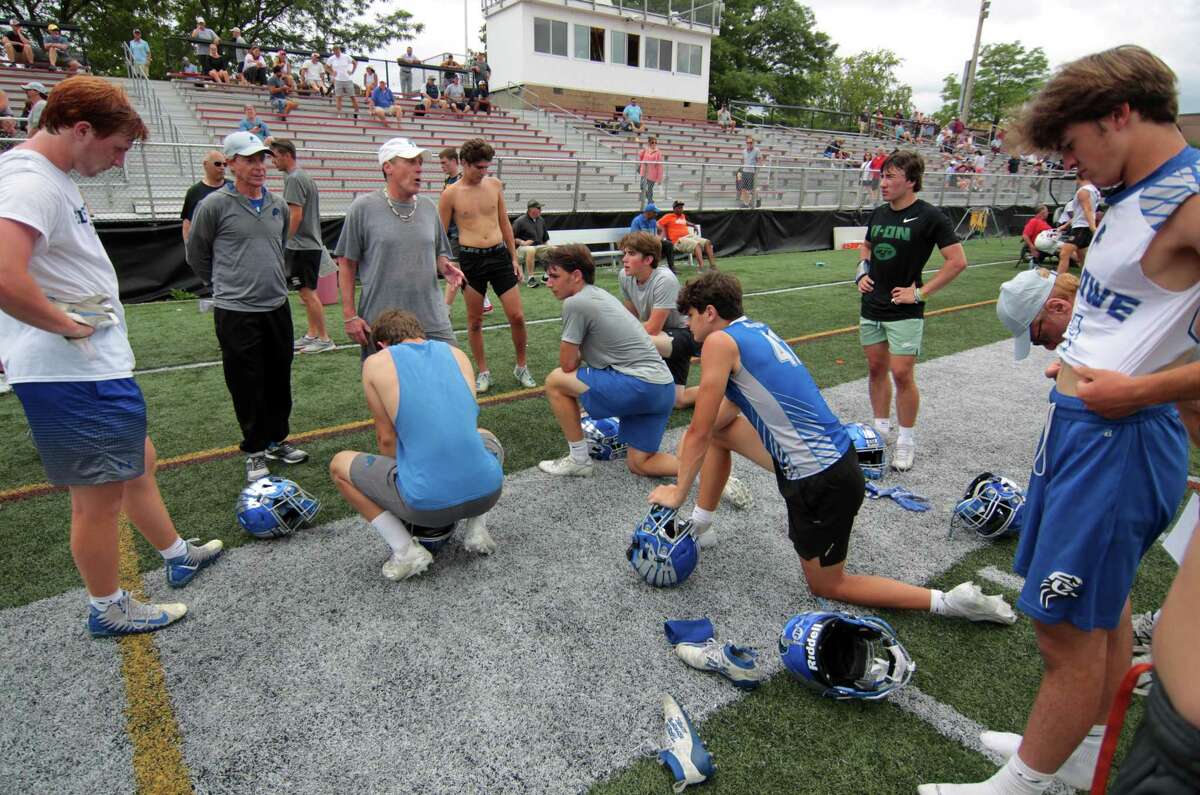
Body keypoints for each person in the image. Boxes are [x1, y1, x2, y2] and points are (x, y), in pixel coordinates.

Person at [920, 45, 1200, 795]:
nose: (1075, 165)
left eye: (1075, 146)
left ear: (1120, 114)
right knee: (1100, 615)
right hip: (1086, 428)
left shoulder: (1192, 197)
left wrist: (1138, 392)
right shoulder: (1128, 189)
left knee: (1065, 628)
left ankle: (1026, 784)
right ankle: (1080, 749)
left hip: (1121, 436)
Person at [645, 272, 1015, 626]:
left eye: (690, 316)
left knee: (829, 584)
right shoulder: (752, 330)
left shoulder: (718, 342)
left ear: (710, 313)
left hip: (820, 480)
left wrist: (678, 491)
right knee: (718, 436)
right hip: (831, 460)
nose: (688, 326)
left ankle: (949, 602)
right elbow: (723, 419)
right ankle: (702, 525)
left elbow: (698, 428)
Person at [0, 75, 224, 637]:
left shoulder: (44, 177)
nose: (120, 162)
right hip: (71, 371)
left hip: (85, 367)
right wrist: (66, 327)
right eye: (118, 147)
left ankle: (174, 554)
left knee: (138, 462)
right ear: (81, 129)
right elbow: (3, 274)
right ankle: (108, 606)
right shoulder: (29, 181)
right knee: (97, 501)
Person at [329, 309, 503, 581]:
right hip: (489, 493)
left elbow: (386, 439)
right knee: (485, 434)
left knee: (339, 464)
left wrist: (415, 476)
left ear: (382, 344)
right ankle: (477, 527)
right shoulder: (455, 353)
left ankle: (405, 550)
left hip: (427, 505)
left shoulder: (376, 362)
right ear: (420, 335)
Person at [185, 131, 309, 483]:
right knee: (245, 381)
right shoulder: (213, 206)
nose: (259, 166)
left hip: (276, 305)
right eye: (250, 159)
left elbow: (278, 244)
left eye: (262, 159)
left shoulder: (277, 204)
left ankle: (277, 439)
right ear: (231, 163)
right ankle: (255, 449)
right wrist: (224, 285)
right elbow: (197, 254)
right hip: (236, 310)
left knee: (279, 377)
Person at [855, 150, 966, 472]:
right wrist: (861, 272)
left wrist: (920, 292)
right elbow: (867, 247)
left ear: (911, 181)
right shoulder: (879, 214)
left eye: (890, 176)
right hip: (871, 304)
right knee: (876, 368)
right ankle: (880, 428)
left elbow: (957, 261)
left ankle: (906, 439)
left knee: (902, 374)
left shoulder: (931, 217)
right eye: (883, 176)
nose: (883, 182)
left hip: (904, 310)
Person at [538, 245, 678, 478]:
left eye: (554, 276)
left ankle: (578, 459)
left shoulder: (576, 302)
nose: (549, 283)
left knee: (555, 381)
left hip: (640, 386)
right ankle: (708, 472)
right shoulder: (599, 294)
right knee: (640, 463)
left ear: (576, 276)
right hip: (662, 388)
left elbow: (567, 365)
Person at [335, 137, 465, 359]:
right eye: (411, 162)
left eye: (420, 163)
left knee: (448, 376)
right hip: (384, 322)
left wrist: (445, 266)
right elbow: (346, 264)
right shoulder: (363, 208)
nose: (419, 168)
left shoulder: (427, 207)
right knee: (390, 390)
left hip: (432, 316)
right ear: (388, 167)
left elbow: (438, 253)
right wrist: (349, 316)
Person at [438, 138, 534, 392]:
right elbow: (440, 233)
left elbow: (504, 223)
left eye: (486, 167)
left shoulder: (494, 185)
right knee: (475, 321)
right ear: (465, 164)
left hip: (500, 256)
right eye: (479, 167)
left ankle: (521, 366)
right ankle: (483, 372)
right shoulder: (451, 193)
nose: (484, 172)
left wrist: (514, 258)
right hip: (471, 260)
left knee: (517, 316)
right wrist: (445, 262)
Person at [618, 231, 698, 408]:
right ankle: (725, 389)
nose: (624, 259)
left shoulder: (664, 279)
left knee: (628, 340)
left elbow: (652, 328)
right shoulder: (625, 275)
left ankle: (619, 388)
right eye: (624, 253)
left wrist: (617, 333)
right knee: (678, 401)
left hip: (683, 335)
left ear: (648, 260)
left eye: (631, 254)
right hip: (659, 338)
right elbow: (630, 316)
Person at [270, 139, 333, 354]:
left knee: (307, 294)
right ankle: (312, 334)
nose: (272, 162)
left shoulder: (295, 179)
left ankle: (324, 338)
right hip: (307, 245)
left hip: (302, 247)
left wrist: (283, 242)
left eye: (275, 156)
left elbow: (295, 215)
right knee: (306, 293)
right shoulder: (300, 176)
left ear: (286, 155)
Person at [1055, 174, 1101, 274]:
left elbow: (1087, 210)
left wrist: (1093, 227)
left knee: (1064, 253)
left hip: (1081, 227)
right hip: (1082, 226)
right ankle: (1090, 279)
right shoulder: (1094, 190)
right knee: (1082, 258)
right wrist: (1065, 225)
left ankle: (1057, 281)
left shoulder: (1083, 191)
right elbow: (1081, 213)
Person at [180, 150, 230, 242]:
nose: (222, 167)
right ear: (205, 164)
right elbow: (187, 224)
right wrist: (189, 250)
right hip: (206, 245)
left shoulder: (232, 187)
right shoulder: (194, 192)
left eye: (225, 164)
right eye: (218, 164)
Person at [658, 200, 717, 270]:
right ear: (674, 209)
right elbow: (657, 224)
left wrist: (693, 225)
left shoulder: (682, 216)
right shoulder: (668, 216)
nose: (681, 209)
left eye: (682, 207)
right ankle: (701, 267)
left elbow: (685, 222)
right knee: (696, 244)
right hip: (678, 240)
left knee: (707, 242)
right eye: (679, 208)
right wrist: (663, 231)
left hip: (688, 237)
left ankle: (712, 266)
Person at [513, 199, 550, 288]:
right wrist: (522, 242)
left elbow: (545, 239)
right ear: (532, 210)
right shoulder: (520, 221)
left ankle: (546, 276)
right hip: (521, 250)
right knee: (531, 249)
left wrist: (548, 251)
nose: (541, 210)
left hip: (538, 247)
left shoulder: (541, 220)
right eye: (539, 208)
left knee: (554, 250)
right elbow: (510, 238)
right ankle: (530, 279)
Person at [630, 202, 675, 272]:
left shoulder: (653, 221)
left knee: (668, 244)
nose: (656, 215)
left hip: (652, 242)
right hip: (640, 243)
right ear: (649, 213)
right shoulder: (637, 221)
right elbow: (634, 236)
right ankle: (652, 266)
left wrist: (659, 237)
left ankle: (672, 268)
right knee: (651, 247)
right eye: (655, 213)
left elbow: (662, 230)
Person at [326, 45, 358, 117]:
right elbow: (326, 67)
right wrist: (331, 72)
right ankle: (339, 113)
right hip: (337, 80)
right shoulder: (331, 58)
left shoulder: (346, 56)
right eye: (334, 51)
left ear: (339, 50)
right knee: (338, 97)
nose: (336, 52)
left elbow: (355, 63)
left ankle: (357, 112)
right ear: (333, 51)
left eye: (337, 50)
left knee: (352, 96)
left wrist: (352, 72)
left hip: (347, 79)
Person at [739, 137, 764, 208]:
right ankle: (746, 203)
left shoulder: (757, 150)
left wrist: (757, 172)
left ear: (753, 143)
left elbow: (760, 161)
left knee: (751, 189)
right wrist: (741, 170)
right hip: (745, 171)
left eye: (750, 142)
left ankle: (757, 199)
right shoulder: (743, 151)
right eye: (748, 142)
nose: (749, 144)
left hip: (752, 172)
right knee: (744, 188)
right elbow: (743, 161)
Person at [638, 136, 663, 205]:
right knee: (642, 186)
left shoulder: (658, 152)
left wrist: (659, 179)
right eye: (652, 142)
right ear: (649, 143)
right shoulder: (646, 149)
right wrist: (644, 149)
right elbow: (640, 156)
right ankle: (649, 199)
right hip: (644, 171)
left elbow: (659, 166)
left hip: (652, 174)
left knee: (649, 188)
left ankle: (650, 201)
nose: (654, 144)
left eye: (655, 142)